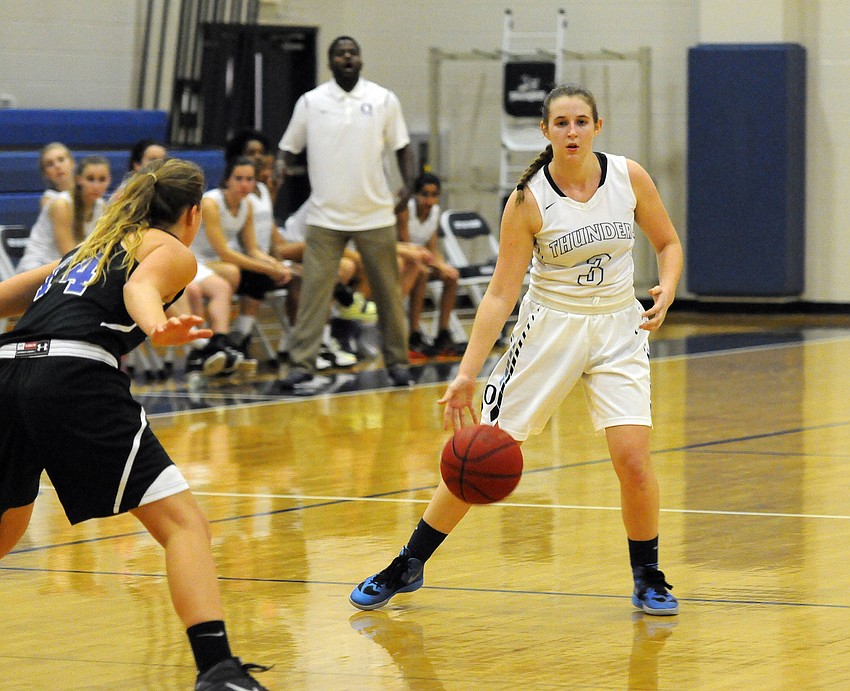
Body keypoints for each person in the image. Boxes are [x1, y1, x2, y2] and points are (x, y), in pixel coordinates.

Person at [349, 84, 684, 617]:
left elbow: (667, 242)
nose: (571, 131)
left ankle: (649, 576)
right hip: (548, 330)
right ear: (545, 131)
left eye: (580, 121)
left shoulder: (629, 176)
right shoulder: (528, 199)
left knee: (634, 461)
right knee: (481, 455)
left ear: (598, 126)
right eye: (561, 123)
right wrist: (466, 373)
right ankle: (408, 563)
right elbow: (501, 293)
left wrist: (666, 285)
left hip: (620, 327)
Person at [0, 158, 270, 689]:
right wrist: (159, 326)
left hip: (7, 370)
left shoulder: (90, 250)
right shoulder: (170, 249)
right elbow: (140, 289)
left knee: (3, 532)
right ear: (192, 212)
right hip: (72, 378)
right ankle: (218, 671)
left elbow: (8, 297)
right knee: (185, 526)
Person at [276, 35, 415, 391]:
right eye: (340, 54)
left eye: (353, 52)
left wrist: (409, 184)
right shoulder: (311, 102)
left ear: (361, 60)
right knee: (314, 294)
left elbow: (402, 146)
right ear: (330, 61)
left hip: (375, 214)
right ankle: (302, 364)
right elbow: (288, 148)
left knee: (388, 292)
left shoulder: (384, 99)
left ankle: (399, 363)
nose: (347, 58)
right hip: (325, 216)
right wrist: (277, 174)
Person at [192, 155, 291, 371]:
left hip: (220, 262)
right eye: (239, 178)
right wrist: (268, 267)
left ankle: (239, 337)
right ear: (227, 179)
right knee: (233, 271)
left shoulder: (247, 205)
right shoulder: (210, 203)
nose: (245, 184)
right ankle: (213, 341)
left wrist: (276, 265)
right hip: (196, 259)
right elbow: (224, 252)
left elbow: (253, 249)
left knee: (260, 275)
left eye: (249, 179)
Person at [395, 172, 462, 359]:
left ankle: (442, 334)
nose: (429, 200)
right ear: (416, 194)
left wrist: (442, 265)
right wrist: (434, 264)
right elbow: (406, 245)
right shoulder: (405, 210)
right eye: (425, 194)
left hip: (422, 259)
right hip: (401, 262)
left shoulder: (434, 212)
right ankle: (414, 334)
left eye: (434, 195)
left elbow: (433, 247)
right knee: (421, 272)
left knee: (451, 275)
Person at [17, 155, 111, 273]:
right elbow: (69, 256)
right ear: (78, 179)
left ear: (109, 181)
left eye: (102, 179)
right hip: (37, 268)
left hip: (65, 270)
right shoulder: (62, 205)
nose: (96, 186)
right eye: (90, 179)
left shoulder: (102, 206)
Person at [37, 142, 76, 207]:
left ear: (72, 163)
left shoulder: (88, 190)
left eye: (61, 160)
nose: (57, 166)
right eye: (50, 164)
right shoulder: (48, 200)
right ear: (46, 174)